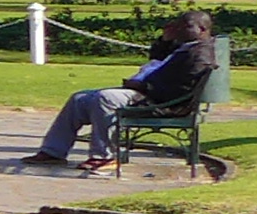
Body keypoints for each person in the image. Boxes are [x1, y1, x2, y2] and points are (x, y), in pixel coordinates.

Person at [31, 9, 217, 168]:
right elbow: (158, 59)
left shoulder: (199, 54)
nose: (179, 30)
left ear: (202, 29)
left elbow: (180, 89)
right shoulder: (185, 46)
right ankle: (53, 152)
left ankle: (104, 156)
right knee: (79, 98)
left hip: (161, 102)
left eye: (185, 26)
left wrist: (143, 86)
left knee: (106, 98)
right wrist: (165, 40)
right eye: (178, 26)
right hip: (145, 93)